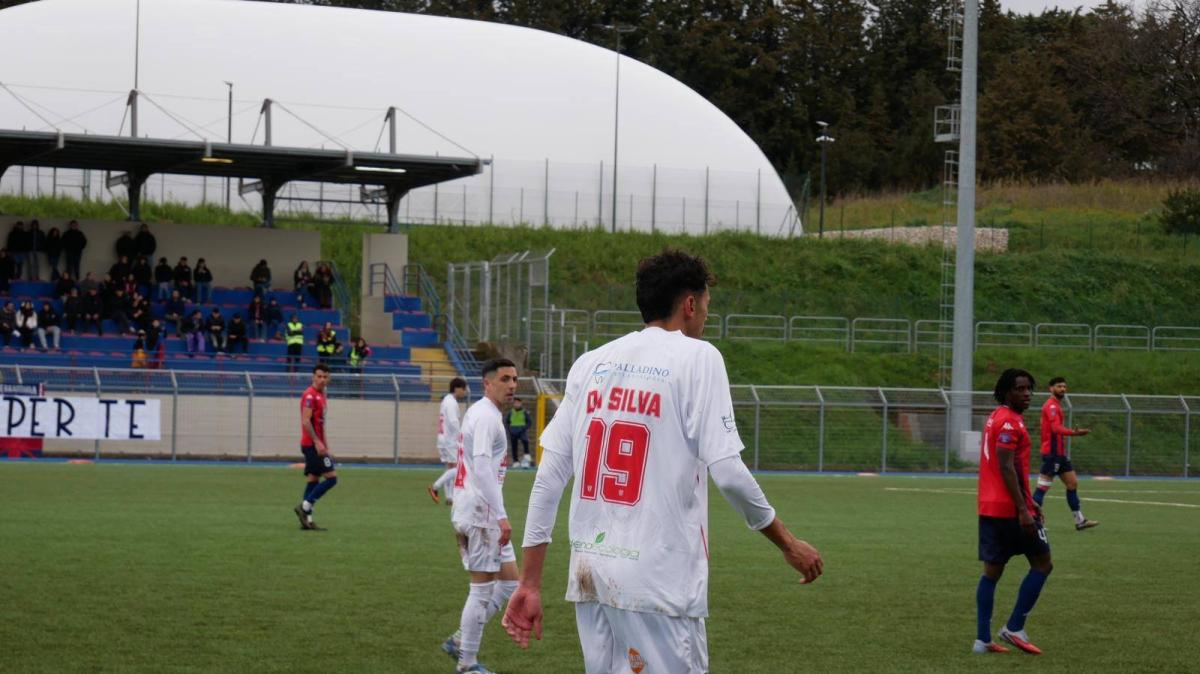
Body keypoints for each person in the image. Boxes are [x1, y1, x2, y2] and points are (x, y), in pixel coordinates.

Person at [501, 249, 824, 672]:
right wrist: (788, 543)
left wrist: (529, 581)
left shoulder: (590, 364)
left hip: (591, 579)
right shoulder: (699, 357)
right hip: (658, 584)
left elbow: (548, 479)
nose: (706, 316)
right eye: (706, 305)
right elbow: (728, 473)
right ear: (689, 304)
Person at [442, 359, 521, 674]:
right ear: (487, 383)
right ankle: (467, 663)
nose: (512, 385)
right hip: (481, 514)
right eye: (505, 379)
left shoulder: (479, 412)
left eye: (514, 379)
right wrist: (501, 515)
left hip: (473, 509)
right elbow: (483, 467)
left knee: (510, 582)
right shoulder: (487, 417)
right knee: (482, 588)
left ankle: (461, 640)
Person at [972, 368, 1053, 655]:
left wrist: (1030, 502)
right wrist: (1023, 508)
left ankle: (982, 640)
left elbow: (1009, 468)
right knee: (1043, 564)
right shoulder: (1009, 422)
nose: (1027, 393)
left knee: (992, 572)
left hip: (990, 506)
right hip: (1009, 510)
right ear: (1006, 392)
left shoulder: (996, 416)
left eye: (1029, 388)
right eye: (1020, 389)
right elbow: (1007, 467)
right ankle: (1014, 627)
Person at [1033, 377, 1097, 530]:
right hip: (1052, 454)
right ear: (1051, 388)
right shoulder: (1051, 406)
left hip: (1060, 454)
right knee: (1042, 488)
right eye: (1059, 386)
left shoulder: (1056, 405)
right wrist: (1074, 433)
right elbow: (1055, 429)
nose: (1062, 389)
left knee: (1072, 483)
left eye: (1064, 386)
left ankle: (1080, 521)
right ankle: (1034, 522)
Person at [294, 363, 338, 531]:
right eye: (319, 376)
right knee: (332, 478)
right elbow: (306, 421)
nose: (322, 379)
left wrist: (326, 445)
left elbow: (320, 423)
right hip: (311, 444)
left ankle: (307, 521)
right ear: (313, 377)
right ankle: (304, 507)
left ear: (329, 378)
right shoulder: (309, 395)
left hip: (317, 444)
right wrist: (317, 442)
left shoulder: (322, 394)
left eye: (325, 377)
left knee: (313, 479)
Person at [427, 377, 468, 506]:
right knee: (460, 468)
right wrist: (462, 436)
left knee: (450, 468)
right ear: (457, 388)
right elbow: (453, 422)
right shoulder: (451, 403)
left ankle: (449, 497)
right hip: (450, 440)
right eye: (463, 389)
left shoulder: (446, 400)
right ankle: (435, 486)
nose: (465, 391)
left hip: (444, 438)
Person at [504, 397, 532, 468]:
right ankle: (515, 461)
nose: (517, 404)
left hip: (522, 430)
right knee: (514, 447)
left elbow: (529, 422)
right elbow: (506, 422)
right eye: (515, 403)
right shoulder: (511, 412)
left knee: (525, 441)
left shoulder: (524, 412)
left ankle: (526, 458)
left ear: (521, 403)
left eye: (518, 403)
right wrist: (509, 430)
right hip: (513, 431)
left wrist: (524, 428)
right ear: (513, 404)